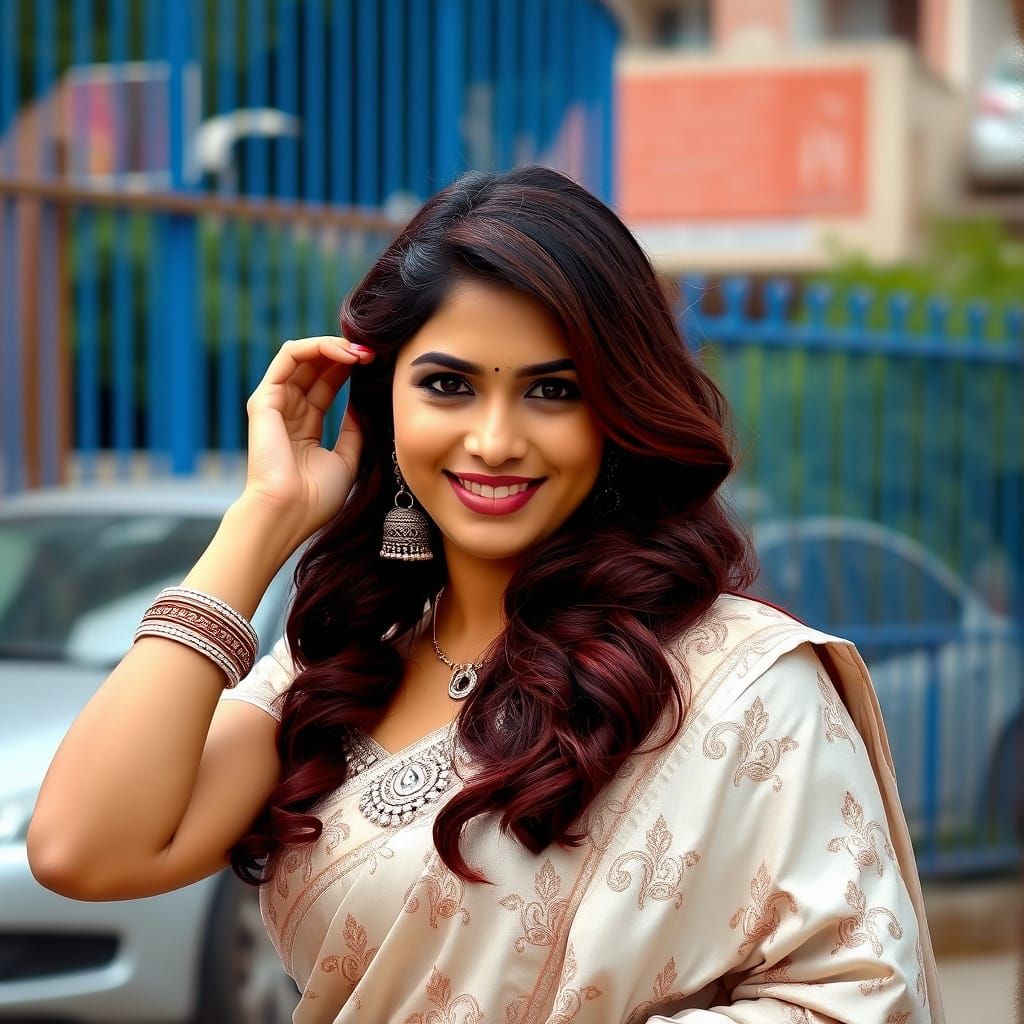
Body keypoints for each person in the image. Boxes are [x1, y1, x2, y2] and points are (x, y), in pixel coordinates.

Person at [27, 165, 945, 1023]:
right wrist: (264, 517)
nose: (496, 440)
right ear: (384, 405)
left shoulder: (744, 685)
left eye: (553, 390)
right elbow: (84, 849)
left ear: (617, 412)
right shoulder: (338, 673)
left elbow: (857, 997)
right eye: (448, 385)